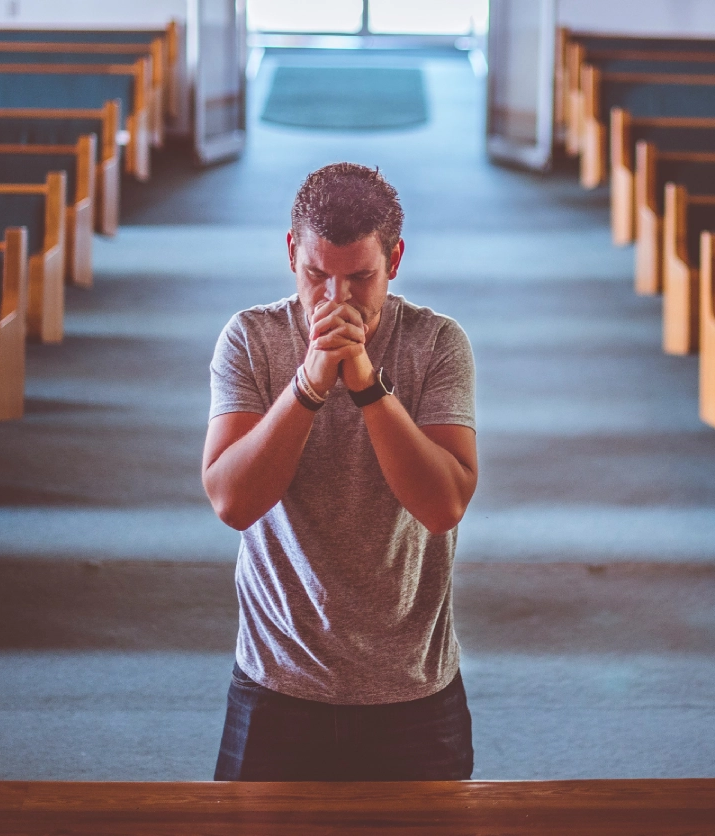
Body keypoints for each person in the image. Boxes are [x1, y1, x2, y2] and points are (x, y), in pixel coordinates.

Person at [202, 162, 479, 781]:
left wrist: (366, 385)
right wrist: (306, 384)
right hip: (277, 682)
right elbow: (232, 502)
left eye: (361, 279)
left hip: (413, 690)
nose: (336, 301)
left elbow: (443, 506)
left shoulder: (436, 343)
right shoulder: (251, 339)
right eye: (316, 277)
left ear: (396, 260)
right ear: (291, 253)